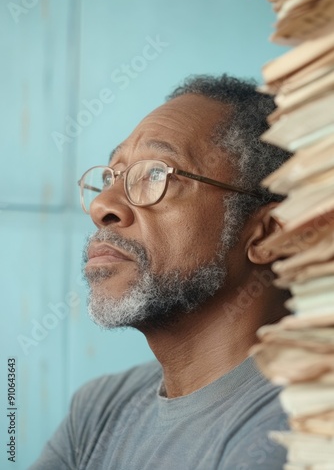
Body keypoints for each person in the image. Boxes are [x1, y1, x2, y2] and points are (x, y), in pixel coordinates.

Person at [30, 74, 292, 469]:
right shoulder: (98, 411)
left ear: (266, 234)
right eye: (111, 176)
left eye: (155, 174)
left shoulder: (301, 422)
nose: (103, 205)